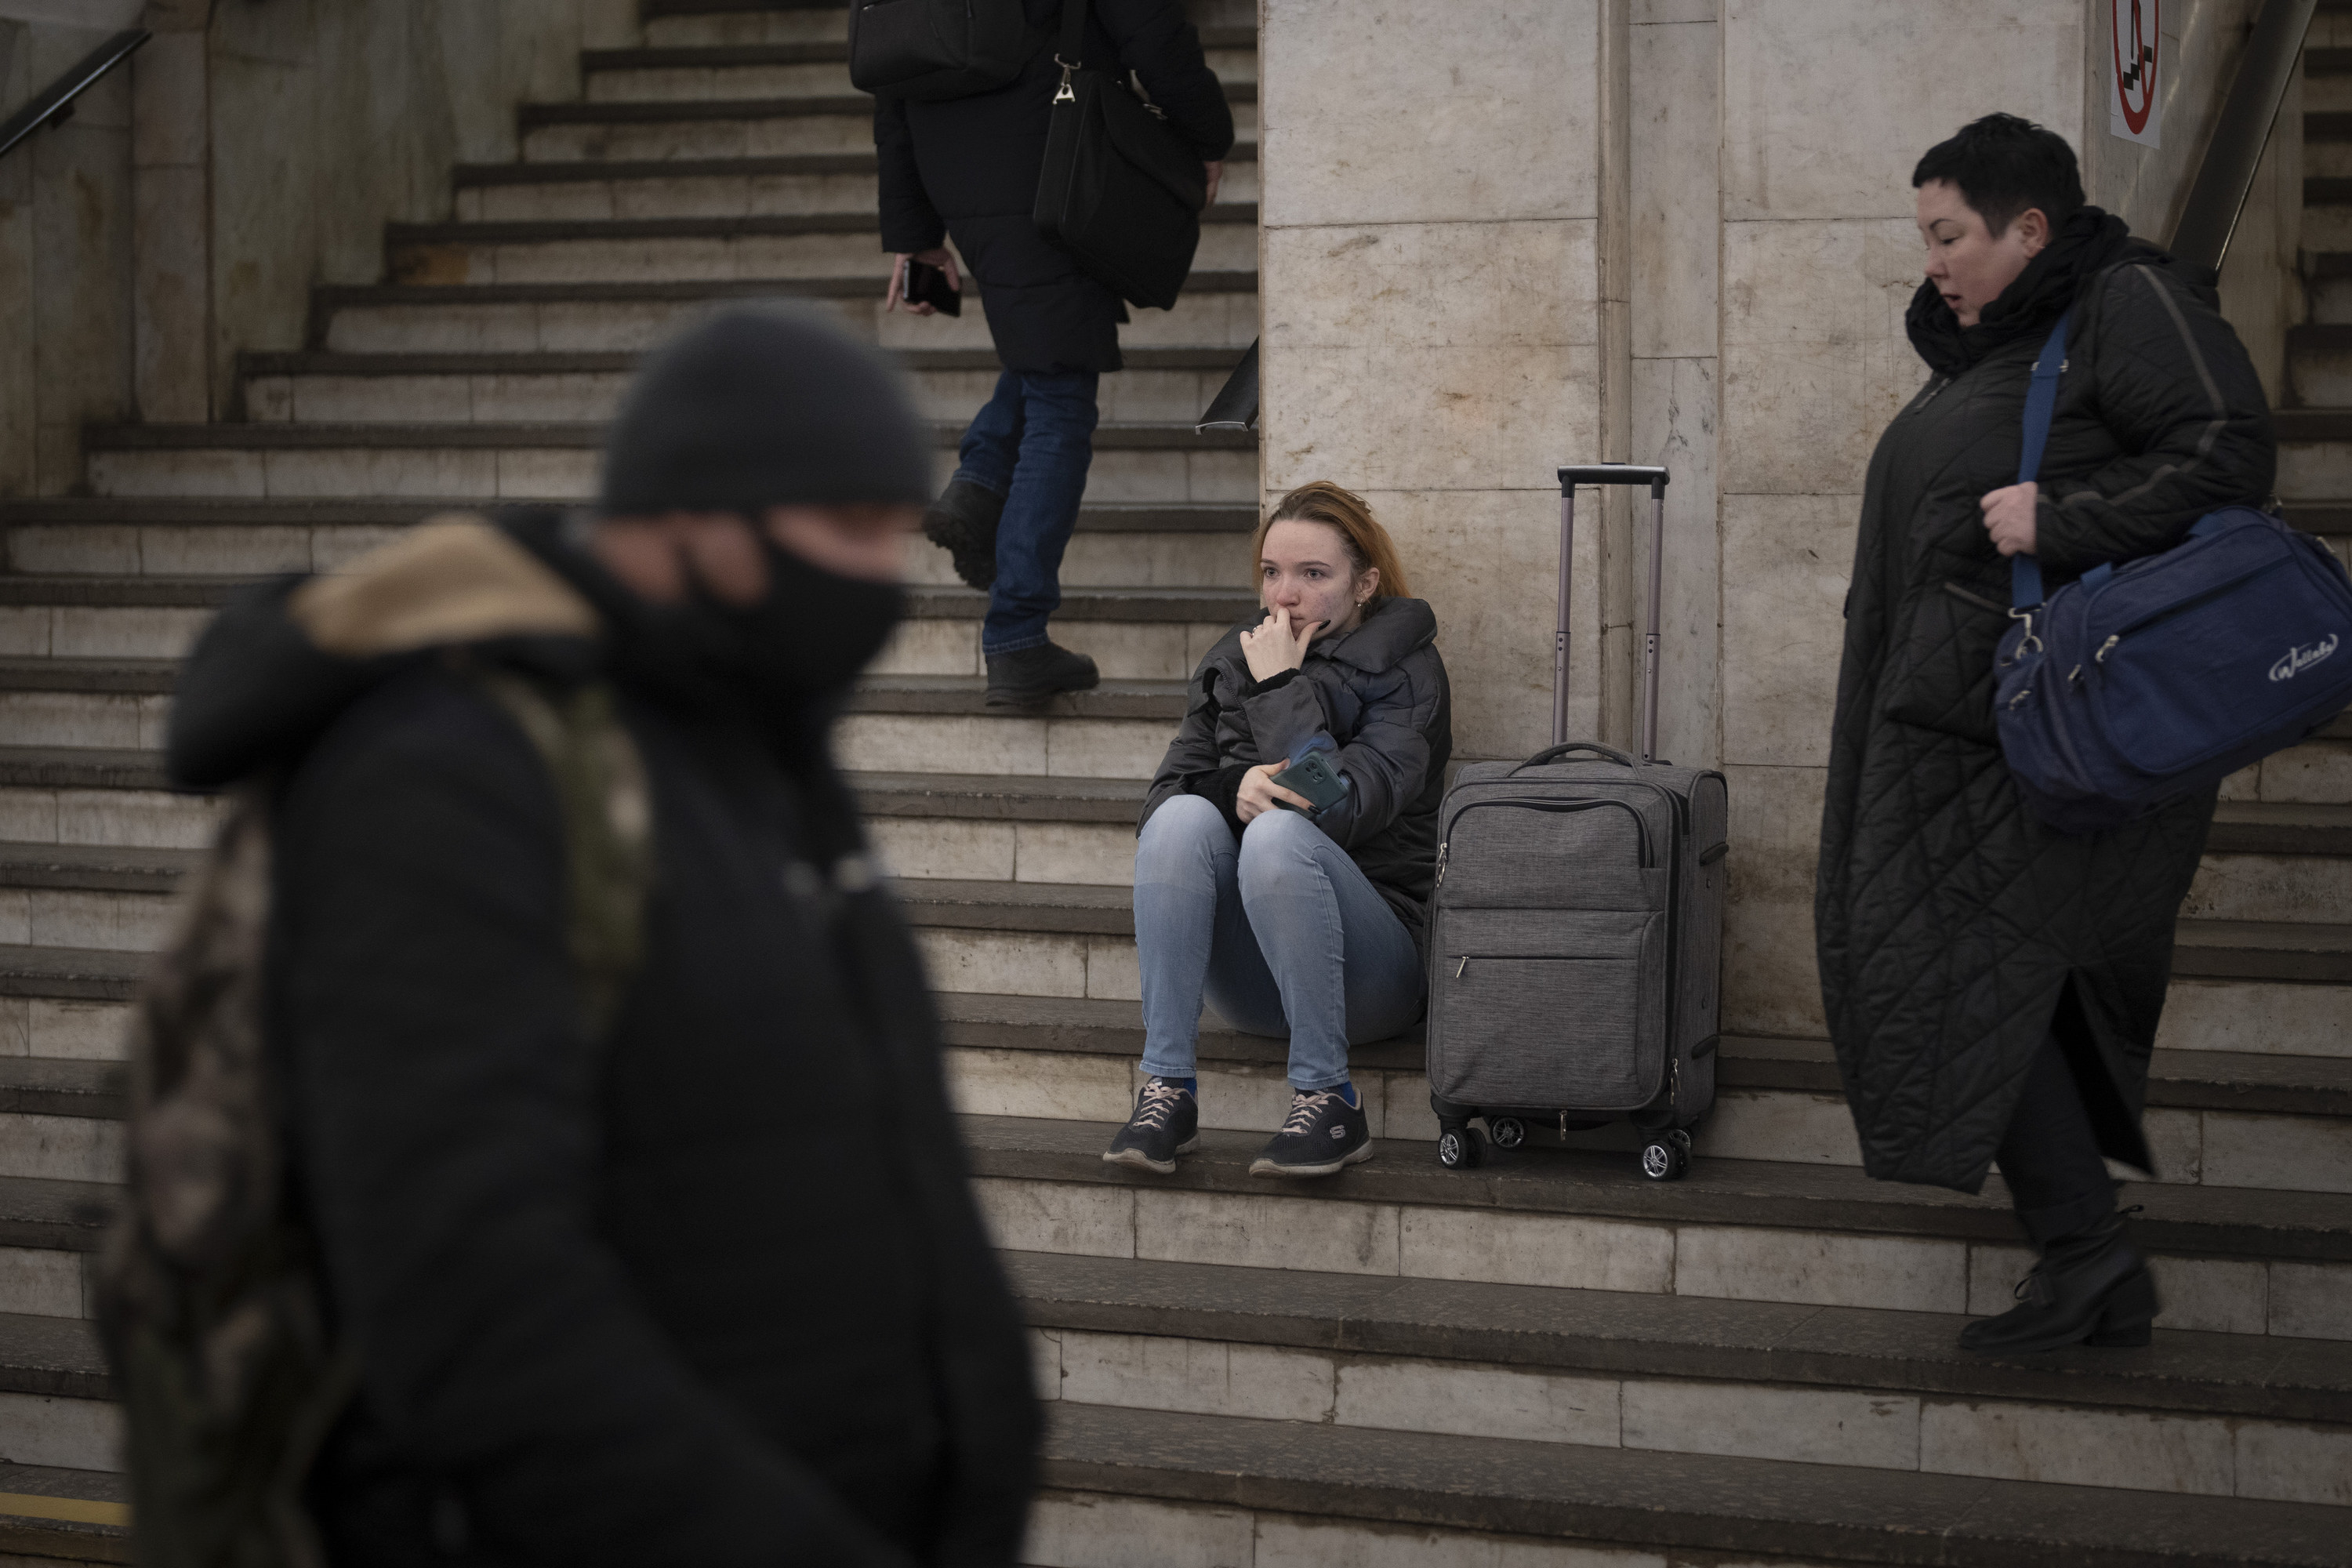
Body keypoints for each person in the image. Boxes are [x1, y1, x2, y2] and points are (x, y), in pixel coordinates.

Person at [162, 305, 1040, 1565]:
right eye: (849, 532)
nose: (881, 587)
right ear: (696, 521)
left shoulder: (754, 745)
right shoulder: (450, 775)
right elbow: (474, 1308)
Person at [1816, 115, 2274, 1354]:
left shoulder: (2125, 303)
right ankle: (2089, 1258)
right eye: (1926, 238)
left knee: (1956, 962)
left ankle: (2086, 1254)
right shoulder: (2001, 347)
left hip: (2041, 726)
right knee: (1966, 965)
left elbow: (2231, 452)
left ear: (2031, 228)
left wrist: (2062, 518)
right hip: (1956, 723)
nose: (1933, 264)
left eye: (1949, 235)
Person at [875, 0, 1233, 708]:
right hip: (1050, 144)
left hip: (954, 161)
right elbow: (1152, 31)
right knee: (1063, 395)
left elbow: (891, 68)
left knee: (1052, 343)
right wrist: (1207, 135)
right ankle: (1016, 636)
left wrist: (914, 229)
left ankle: (979, 484)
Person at [1106, 482, 1451, 1178]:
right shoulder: (1235, 660)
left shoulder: (1408, 675)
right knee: (1180, 821)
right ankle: (1166, 1087)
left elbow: (1342, 809)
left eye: (1313, 575)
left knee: (1279, 835)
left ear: (1366, 585)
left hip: (1376, 974)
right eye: (1272, 573)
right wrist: (1229, 789)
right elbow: (1161, 802)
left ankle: (1329, 1097)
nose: (1283, 596)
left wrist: (1278, 692)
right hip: (1255, 985)